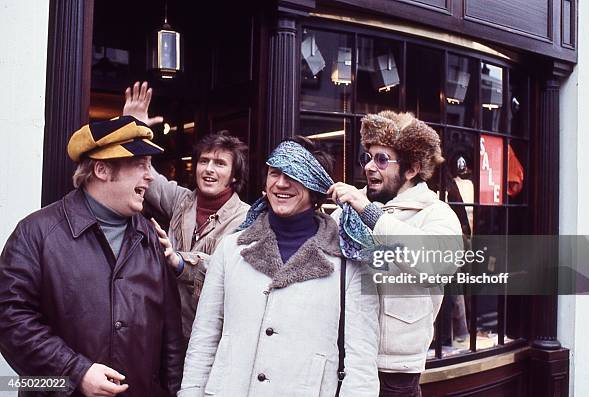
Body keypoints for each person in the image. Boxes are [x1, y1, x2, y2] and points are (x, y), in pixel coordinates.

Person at [179, 137, 380, 396]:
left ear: (315, 185)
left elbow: (361, 361)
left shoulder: (349, 260)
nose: (281, 183)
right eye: (275, 173)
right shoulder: (231, 249)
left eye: (295, 175)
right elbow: (204, 336)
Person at [0, 116, 183, 396]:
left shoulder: (151, 238)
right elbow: (10, 319)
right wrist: (75, 372)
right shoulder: (35, 233)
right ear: (101, 170)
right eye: (139, 165)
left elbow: (170, 336)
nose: (149, 175)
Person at [328, 111, 462, 397]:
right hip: (341, 356)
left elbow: (436, 266)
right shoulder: (350, 208)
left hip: (394, 370)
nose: (369, 167)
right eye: (368, 157)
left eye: (382, 159)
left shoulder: (436, 213)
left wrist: (370, 214)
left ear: (411, 169)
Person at [122, 81, 250, 342]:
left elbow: (227, 270)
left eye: (220, 164)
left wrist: (179, 260)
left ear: (235, 176)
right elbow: (148, 175)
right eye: (204, 161)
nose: (209, 169)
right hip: (166, 329)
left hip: (210, 337)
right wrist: (134, 131)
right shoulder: (182, 200)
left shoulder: (247, 218)